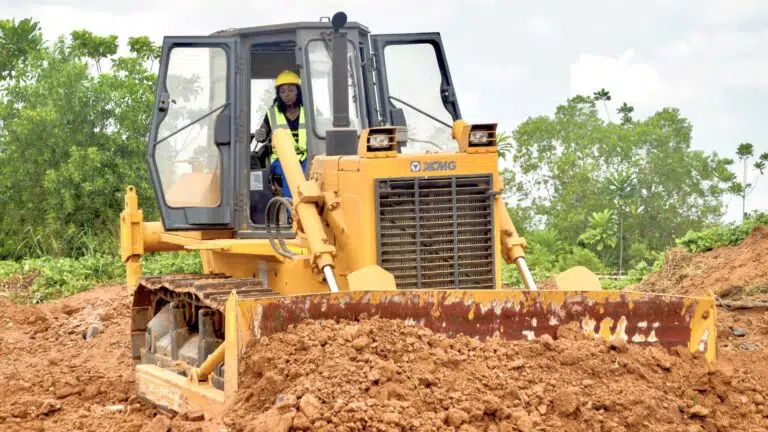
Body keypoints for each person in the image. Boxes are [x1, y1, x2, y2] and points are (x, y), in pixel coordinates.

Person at [252, 69, 307, 199]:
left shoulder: (310, 111)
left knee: (314, 172)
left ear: (298, 91)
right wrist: (261, 134)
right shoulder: (272, 113)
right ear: (278, 94)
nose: (286, 95)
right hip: (281, 159)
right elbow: (263, 132)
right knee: (290, 173)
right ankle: (293, 213)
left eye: (290, 90)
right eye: (282, 91)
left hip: (306, 157)